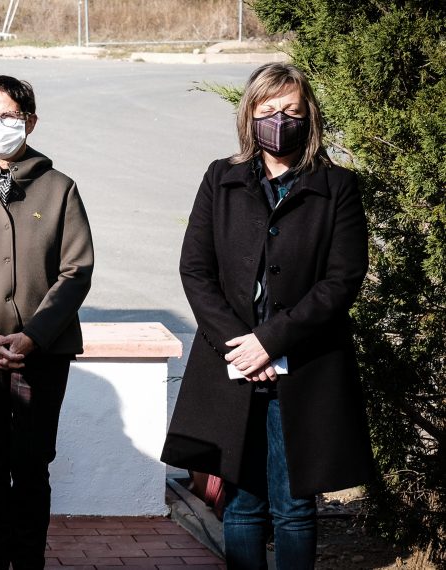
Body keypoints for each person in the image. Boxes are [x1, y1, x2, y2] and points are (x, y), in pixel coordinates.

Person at [161, 62, 374, 570]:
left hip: (303, 368)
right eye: (269, 110)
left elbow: (341, 281)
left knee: (295, 508)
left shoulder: (337, 186)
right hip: (230, 366)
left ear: (310, 117)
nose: (281, 120)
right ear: (250, 115)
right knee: (240, 506)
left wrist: (272, 341)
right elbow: (195, 270)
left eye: (292, 111)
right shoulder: (222, 178)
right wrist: (241, 343)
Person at [0, 75, 94, 570]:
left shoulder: (59, 188)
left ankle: (28, 562)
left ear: (30, 120)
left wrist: (33, 335)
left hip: (42, 355)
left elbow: (76, 271)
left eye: (9, 116)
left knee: (31, 467)